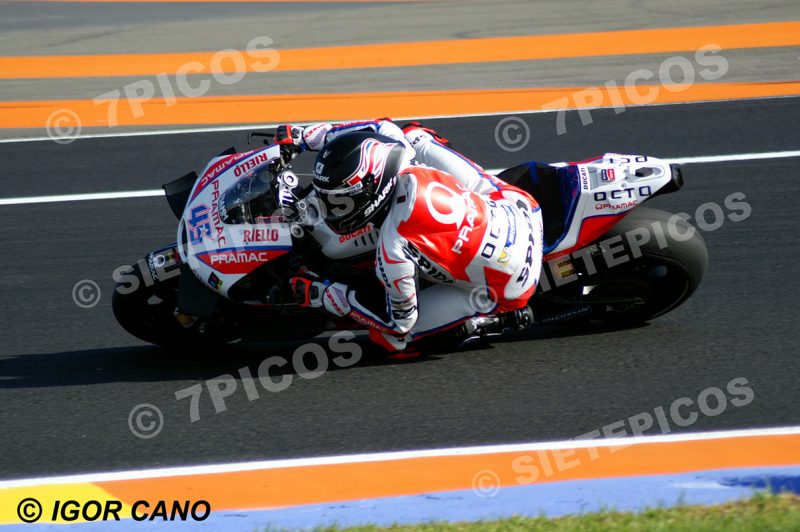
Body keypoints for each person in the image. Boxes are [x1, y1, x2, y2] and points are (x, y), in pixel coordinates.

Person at [275, 119, 543, 354]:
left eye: (338, 203)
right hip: (518, 205)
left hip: (509, 282)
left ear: (370, 193)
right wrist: (308, 136)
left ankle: (492, 319)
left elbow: (399, 322)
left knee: (392, 340)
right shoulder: (398, 156)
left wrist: (323, 294)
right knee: (415, 135)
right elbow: (380, 127)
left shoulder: (393, 246)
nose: (328, 210)